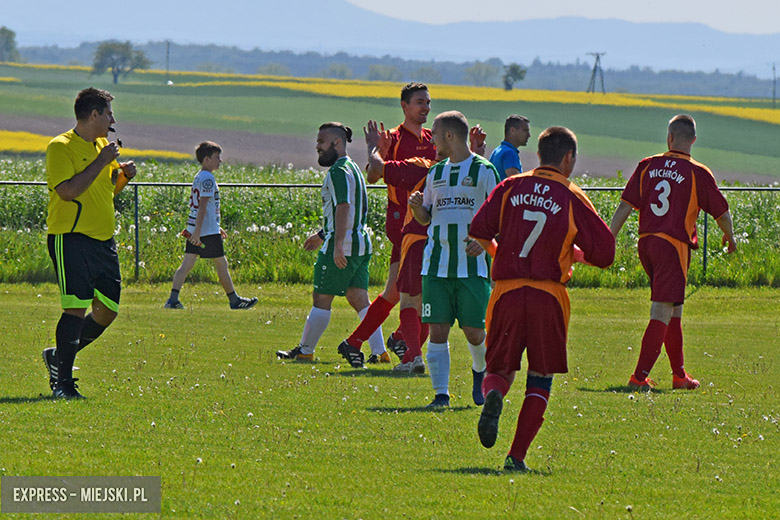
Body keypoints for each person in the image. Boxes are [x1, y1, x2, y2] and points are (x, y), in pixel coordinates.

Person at [469, 126, 615, 472]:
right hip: (548, 296)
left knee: (499, 368)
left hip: (506, 291)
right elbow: (605, 253)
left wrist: (500, 252)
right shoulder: (572, 195)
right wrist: (576, 255)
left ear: (538, 155)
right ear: (568, 158)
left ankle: (494, 394)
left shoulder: (511, 186)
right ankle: (516, 456)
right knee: (540, 376)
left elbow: (478, 229)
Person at [610, 114, 737, 391]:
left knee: (674, 310)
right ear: (693, 140)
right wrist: (730, 237)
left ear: (669, 138)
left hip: (647, 242)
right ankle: (638, 378)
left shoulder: (647, 165)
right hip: (673, 246)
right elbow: (722, 213)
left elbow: (624, 206)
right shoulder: (697, 172)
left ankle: (679, 376)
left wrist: (610, 237)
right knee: (662, 310)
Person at [42, 87, 137, 399]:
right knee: (75, 308)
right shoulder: (61, 146)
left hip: (103, 241)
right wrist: (101, 161)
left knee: (107, 311)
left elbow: (104, 191)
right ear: (94, 114)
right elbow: (68, 192)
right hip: (71, 238)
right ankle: (63, 385)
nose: (113, 120)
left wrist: (123, 177)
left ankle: (57, 356)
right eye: (109, 113)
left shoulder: (101, 147)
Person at [335, 83, 436, 365]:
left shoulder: (434, 138)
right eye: (420, 102)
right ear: (404, 106)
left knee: (394, 291)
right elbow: (372, 177)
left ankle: (356, 342)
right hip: (404, 223)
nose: (425, 107)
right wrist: (376, 149)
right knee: (416, 291)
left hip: (426, 222)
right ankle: (405, 345)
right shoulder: (392, 137)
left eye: (428, 102)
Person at [408, 110, 500, 407]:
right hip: (436, 264)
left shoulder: (485, 170)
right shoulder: (435, 173)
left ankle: (480, 371)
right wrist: (416, 208)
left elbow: (499, 216)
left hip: (472, 267)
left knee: (474, 332)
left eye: (434, 134)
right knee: (437, 330)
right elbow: (426, 217)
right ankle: (441, 395)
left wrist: (484, 242)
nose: (432, 140)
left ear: (449, 135)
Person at [276, 123, 373, 366]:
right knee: (359, 298)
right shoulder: (353, 168)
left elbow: (344, 207)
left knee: (321, 297)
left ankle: (305, 351)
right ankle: (380, 352)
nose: (317, 146)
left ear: (337, 143)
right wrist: (322, 234)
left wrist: (337, 243)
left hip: (342, 245)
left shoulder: (338, 170)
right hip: (360, 244)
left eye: (321, 141)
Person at [163, 141, 257, 310]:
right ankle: (234, 300)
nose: (220, 161)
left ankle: (172, 300)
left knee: (187, 265)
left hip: (199, 228)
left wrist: (211, 227)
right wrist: (199, 232)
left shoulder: (199, 176)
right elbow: (203, 206)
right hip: (205, 231)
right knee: (221, 264)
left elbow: (203, 207)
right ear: (206, 159)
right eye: (217, 157)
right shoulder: (208, 178)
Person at [488, 115, 531, 180]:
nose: (529, 135)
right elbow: (515, 182)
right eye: (525, 130)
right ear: (512, 130)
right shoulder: (509, 153)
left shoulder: (497, 150)